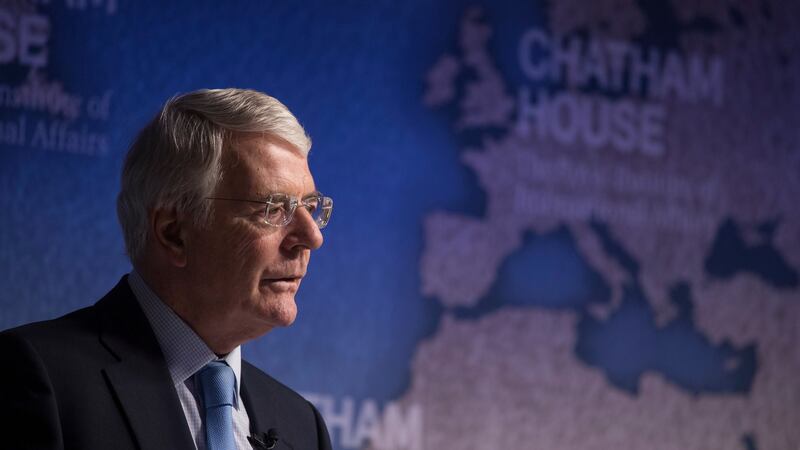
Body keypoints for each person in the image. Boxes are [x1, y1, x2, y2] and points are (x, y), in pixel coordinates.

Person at [0, 88, 334, 450]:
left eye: (309, 207)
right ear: (173, 233)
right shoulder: (37, 378)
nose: (312, 237)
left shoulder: (303, 427)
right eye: (274, 209)